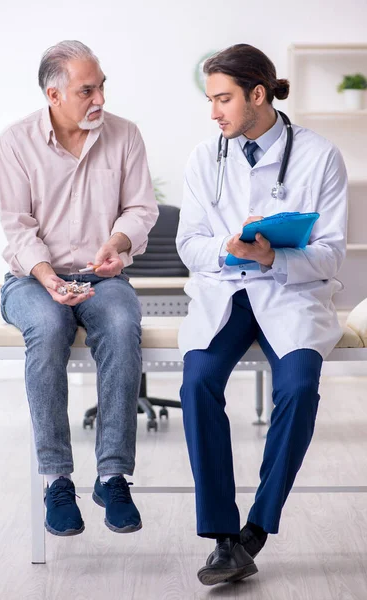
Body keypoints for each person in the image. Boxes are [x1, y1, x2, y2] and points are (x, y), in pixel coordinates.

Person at [176, 43, 347, 586]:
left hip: (288, 294)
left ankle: (257, 530)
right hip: (226, 291)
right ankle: (223, 537)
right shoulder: (206, 157)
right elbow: (188, 243)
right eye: (210, 100)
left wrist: (273, 255)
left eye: (222, 99)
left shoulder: (320, 156)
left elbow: (333, 251)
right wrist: (229, 249)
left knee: (298, 388)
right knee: (197, 382)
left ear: (258, 93)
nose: (213, 112)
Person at [0, 40, 158, 537]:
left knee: (122, 322)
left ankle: (113, 476)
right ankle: (56, 479)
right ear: (54, 94)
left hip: (102, 276)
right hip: (31, 278)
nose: (100, 98)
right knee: (46, 328)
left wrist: (117, 241)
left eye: (102, 85)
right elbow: (17, 226)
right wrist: (47, 277)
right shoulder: (15, 142)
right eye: (87, 89)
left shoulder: (125, 135)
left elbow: (140, 208)